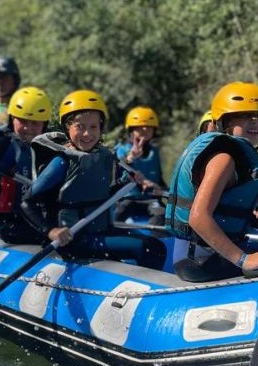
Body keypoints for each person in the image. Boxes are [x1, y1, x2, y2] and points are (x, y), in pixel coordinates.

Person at [20, 89, 167, 270]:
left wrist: (126, 182)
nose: (87, 134)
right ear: (67, 127)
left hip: (101, 231)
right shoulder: (62, 162)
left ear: (101, 127)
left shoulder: (102, 157)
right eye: (80, 127)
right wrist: (51, 231)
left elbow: (103, 195)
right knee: (150, 249)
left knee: (155, 245)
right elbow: (28, 202)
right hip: (74, 240)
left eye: (93, 127)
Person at [165, 82, 258, 282]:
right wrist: (243, 259)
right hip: (200, 260)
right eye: (244, 115)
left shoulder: (231, 154)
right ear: (225, 121)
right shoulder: (223, 159)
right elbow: (198, 217)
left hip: (204, 254)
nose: (255, 122)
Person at [0, 86, 52, 244]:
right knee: (8, 232)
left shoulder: (52, 147)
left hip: (39, 217)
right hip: (10, 220)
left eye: (35, 123)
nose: (28, 128)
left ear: (44, 124)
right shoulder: (2, 144)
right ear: (12, 119)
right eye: (23, 121)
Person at [113, 106, 166, 225]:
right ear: (131, 130)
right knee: (118, 213)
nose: (145, 129)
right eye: (140, 127)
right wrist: (130, 158)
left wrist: (159, 188)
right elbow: (117, 174)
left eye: (149, 127)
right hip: (128, 199)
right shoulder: (121, 150)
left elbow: (159, 179)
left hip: (151, 199)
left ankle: (154, 241)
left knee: (161, 216)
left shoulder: (155, 152)